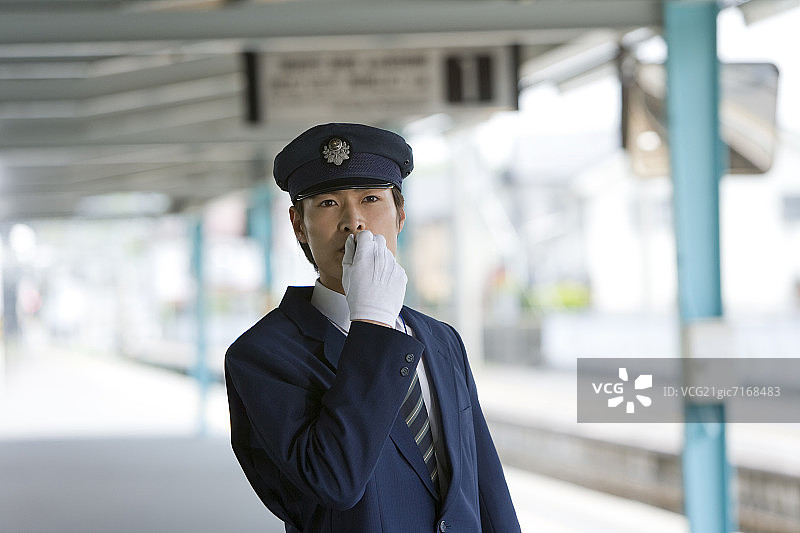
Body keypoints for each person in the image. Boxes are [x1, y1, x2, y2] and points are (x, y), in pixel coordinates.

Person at [225, 123, 521, 533]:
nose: (355, 222)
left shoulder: (440, 338)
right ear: (298, 226)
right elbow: (334, 483)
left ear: (400, 215)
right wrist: (373, 324)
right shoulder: (261, 356)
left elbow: (486, 486)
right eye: (328, 203)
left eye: (371, 199)